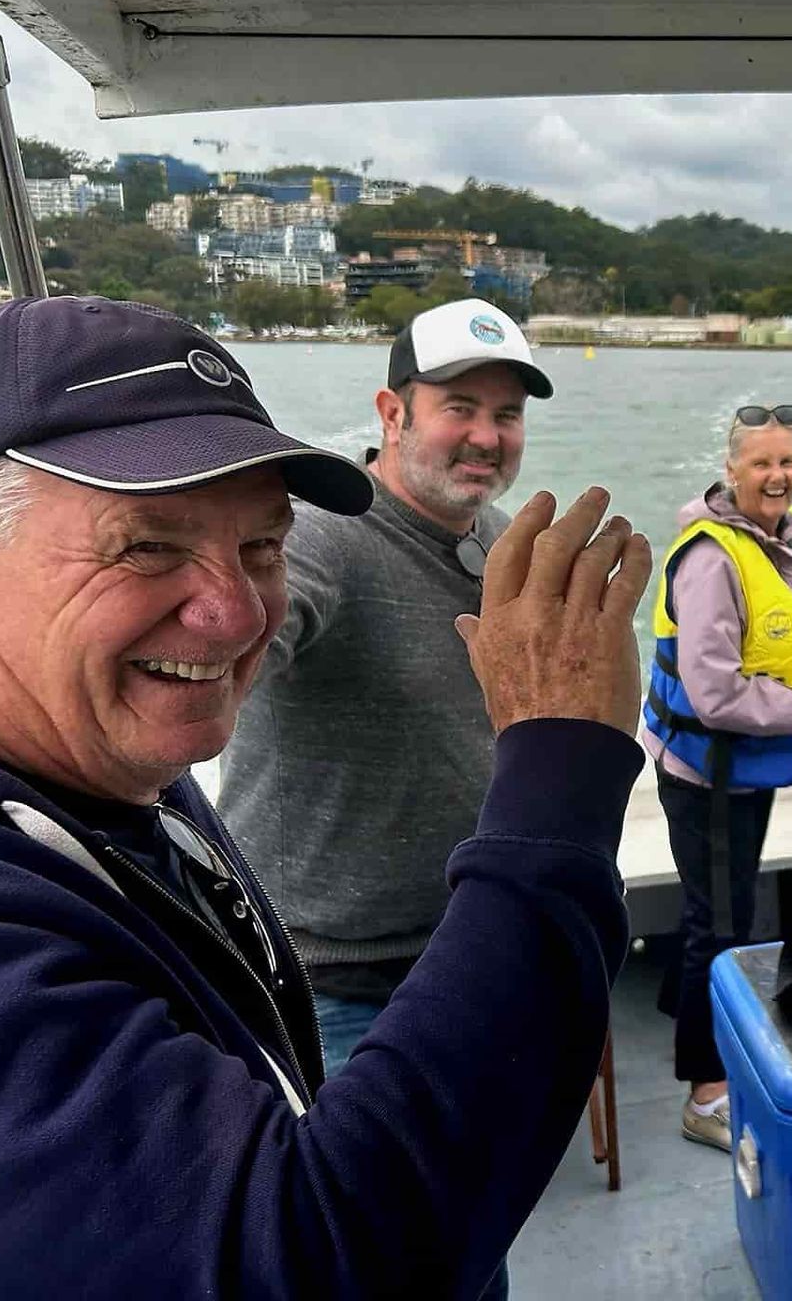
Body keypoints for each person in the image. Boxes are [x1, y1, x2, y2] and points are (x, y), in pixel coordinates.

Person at [0, 296, 647, 1297]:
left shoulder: (101, 771)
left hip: (423, 972)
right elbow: (330, 1262)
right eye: (146, 544)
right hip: (353, 985)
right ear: (394, 412)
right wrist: (562, 756)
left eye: (261, 548)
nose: (231, 611)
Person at [223, 297, 552, 1078]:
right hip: (333, 974)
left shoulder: (500, 538)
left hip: (470, 944)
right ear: (393, 412)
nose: (486, 436)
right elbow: (245, 638)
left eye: (506, 415)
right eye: (460, 408)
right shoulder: (320, 538)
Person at [641, 402, 792, 1151]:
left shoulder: (787, 546)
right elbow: (715, 695)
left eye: (789, 462)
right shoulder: (711, 560)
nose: (778, 476)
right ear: (731, 469)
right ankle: (704, 1092)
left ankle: (691, 1010)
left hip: (750, 770)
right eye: (763, 463)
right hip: (707, 775)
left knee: (728, 907)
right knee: (722, 925)